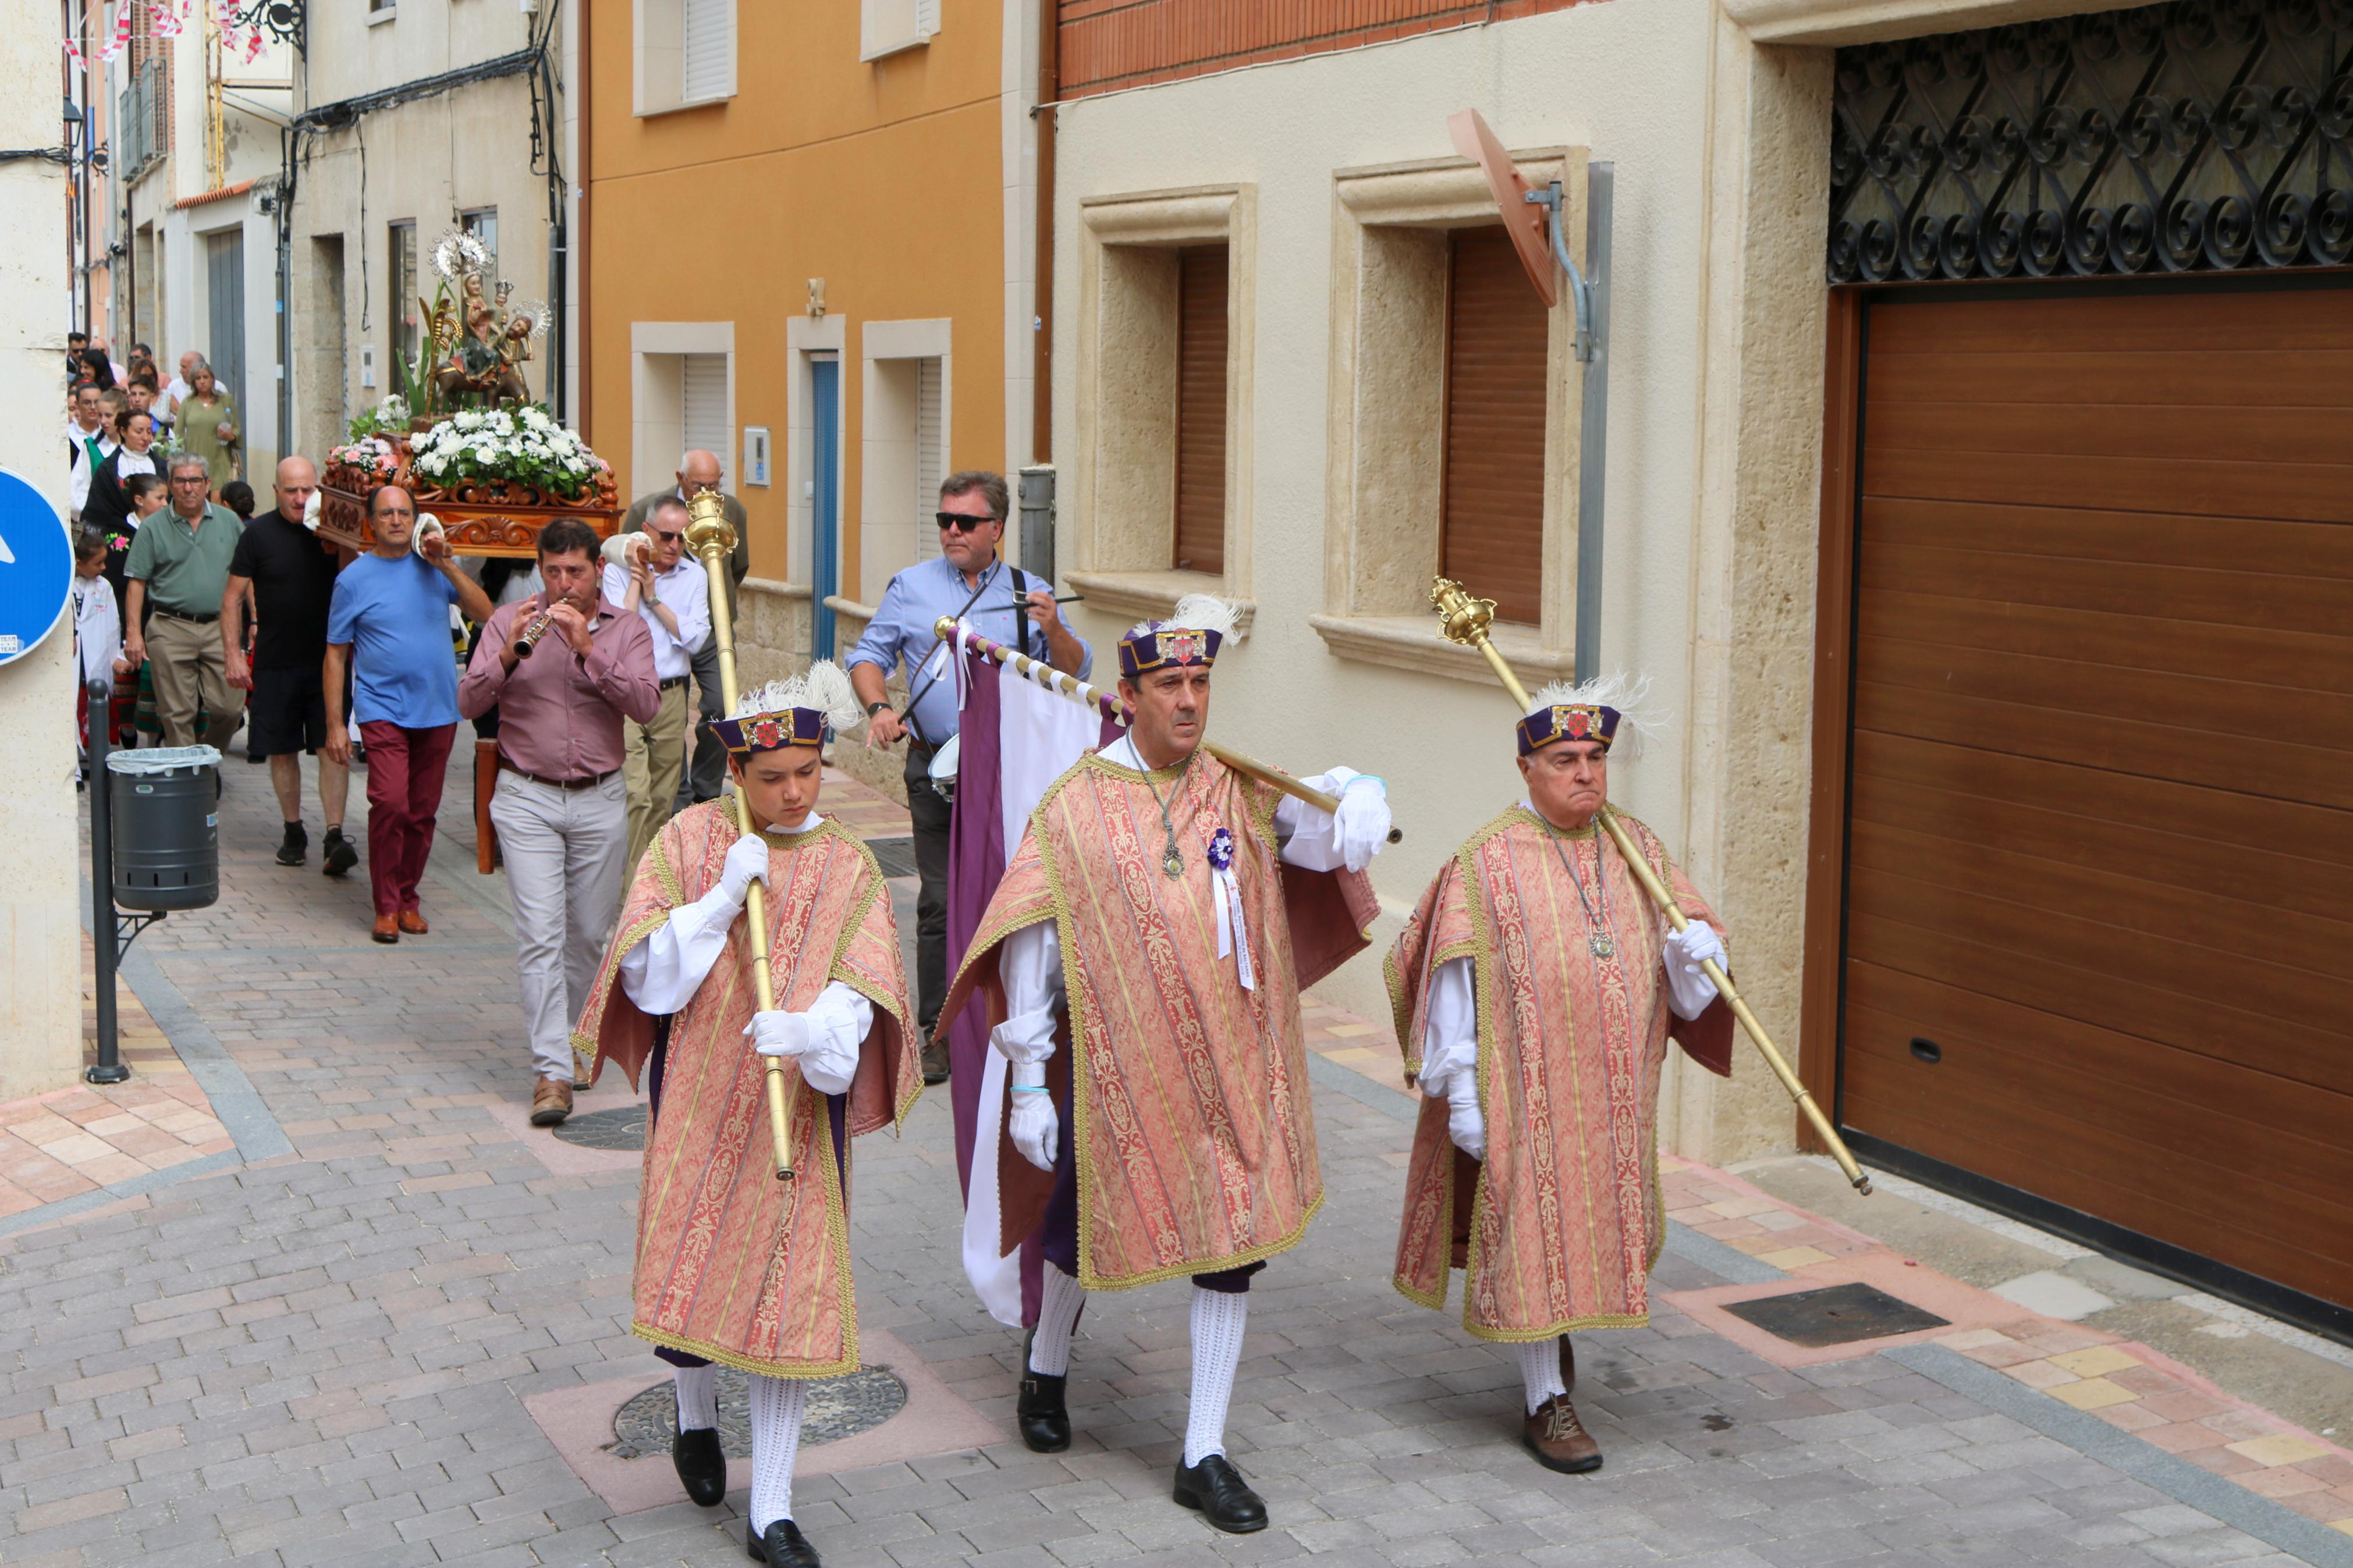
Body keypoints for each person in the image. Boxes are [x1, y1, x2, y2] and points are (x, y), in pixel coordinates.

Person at [939, 597, 1392, 1534]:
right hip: (1110, 1063)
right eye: (1168, 685)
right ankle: (1047, 1365)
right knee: (1079, 1228)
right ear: (1128, 694)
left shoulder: (1237, 784)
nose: (1188, 701)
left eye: (1199, 682)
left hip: (1230, 1064)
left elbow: (1318, 831)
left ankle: (1203, 1451)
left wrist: (1355, 791)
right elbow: (1029, 940)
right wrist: (1026, 1079)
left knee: (1232, 1245)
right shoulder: (1072, 807)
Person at [573, 667, 918, 1568]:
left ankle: (771, 1509)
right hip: (696, 1100)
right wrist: (721, 898)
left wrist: (814, 1030)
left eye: (806, 770)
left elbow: (865, 987)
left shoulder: (848, 863)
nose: (793, 790)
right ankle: (693, 1414)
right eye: (772, 778)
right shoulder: (690, 839)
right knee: (696, 1268)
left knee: (786, 1300)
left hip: (796, 1119)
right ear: (736, 773)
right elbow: (644, 978)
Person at [1386, 677, 1734, 1475]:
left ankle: (1554, 1338)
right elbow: (1447, 977)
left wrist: (1696, 964)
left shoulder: (1638, 851)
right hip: (1523, 1090)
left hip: (1611, 1095)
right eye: (1564, 758)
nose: (1585, 773)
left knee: (1584, 1227)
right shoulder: (1485, 861)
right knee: (1533, 1230)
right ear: (1525, 766)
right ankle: (1545, 1398)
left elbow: (1685, 989)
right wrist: (1464, 1091)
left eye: (1596, 757)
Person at [848, 470, 1090, 1085]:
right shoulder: (910, 587)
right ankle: (936, 1032)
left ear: (997, 529)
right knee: (938, 900)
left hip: (1009, 770)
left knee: (1016, 896)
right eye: (944, 520)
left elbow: (1072, 671)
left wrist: (1054, 627)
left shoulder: (1024, 589)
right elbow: (867, 656)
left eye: (966, 522)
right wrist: (879, 709)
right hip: (931, 762)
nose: (951, 532)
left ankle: (1020, 1021)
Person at [458, 520, 660, 1126]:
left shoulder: (627, 630)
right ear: (539, 570)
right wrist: (504, 654)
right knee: (541, 934)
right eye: (553, 572)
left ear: (598, 569)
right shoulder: (510, 619)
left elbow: (647, 705)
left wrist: (588, 652)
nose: (563, 585)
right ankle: (549, 1070)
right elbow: (468, 703)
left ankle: (574, 1037)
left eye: (575, 571)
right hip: (526, 797)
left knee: (589, 934)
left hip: (599, 797)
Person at [323, 486, 495, 944]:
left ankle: (407, 899)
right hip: (382, 709)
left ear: (416, 520)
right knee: (391, 803)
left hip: (437, 709)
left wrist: (445, 563)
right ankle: (385, 907)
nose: (396, 520)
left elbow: (486, 613)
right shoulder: (354, 579)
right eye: (386, 514)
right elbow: (336, 655)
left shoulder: (434, 568)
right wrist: (336, 724)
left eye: (404, 513)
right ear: (372, 522)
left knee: (422, 812)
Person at [225, 457, 356, 874]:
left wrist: (341, 548)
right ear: (276, 490)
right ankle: (293, 829)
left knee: (332, 748)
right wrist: (232, 653)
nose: (300, 498)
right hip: (276, 661)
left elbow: (357, 582)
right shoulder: (256, 535)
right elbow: (231, 598)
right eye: (291, 490)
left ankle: (334, 834)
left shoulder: (334, 531)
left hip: (328, 663)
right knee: (282, 750)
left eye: (307, 490)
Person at [620, 450, 746, 808]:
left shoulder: (732, 510)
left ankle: (706, 789)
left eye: (714, 485)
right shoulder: (645, 509)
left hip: (709, 627)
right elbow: (628, 562)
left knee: (723, 704)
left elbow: (738, 566)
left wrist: (708, 605)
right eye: (697, 486)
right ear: (680, 479)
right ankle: (677, 791)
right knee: (668, 704)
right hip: (658, 625)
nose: (706, 493)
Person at [602, 496, 709, 873]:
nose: (674, 546)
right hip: (628, 693)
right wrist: (636, 576)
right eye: (666, 536)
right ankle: (629, 890)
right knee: (634, 794)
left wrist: (655, 598)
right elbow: (618, 630)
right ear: (646, 532)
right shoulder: (615, 571)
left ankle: (651, 883)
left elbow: (696, 640)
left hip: (672, 695)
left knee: (663, 799)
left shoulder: (695, 575)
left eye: (682, 538)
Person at [123, 454, 246, 750]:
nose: (188, 488)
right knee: (178, 713)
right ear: (170, 485)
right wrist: (134, 633)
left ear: (207, 484)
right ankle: (190, 775)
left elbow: (246, 577)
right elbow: (136, 583)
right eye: (180, 480)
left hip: (221, 627)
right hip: (170, 626)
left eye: (194, 480)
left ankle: (209, 758)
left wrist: (255, 621)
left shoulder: (229, 522)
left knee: (229, 709)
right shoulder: (152, 528)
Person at [72, 529, 128, 763]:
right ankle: (75, 753)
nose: (104, 567)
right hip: (75, 653)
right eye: (98, 563)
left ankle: (94, 752)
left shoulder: (103, 586)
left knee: (94, 697)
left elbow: (113, 623)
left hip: (96, 652)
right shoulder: (66, 583)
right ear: (79, 563)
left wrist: (117, 654)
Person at [176, 359, 240, 487]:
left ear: (212, 379)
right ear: (193, 382)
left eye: (206, 377)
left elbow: (237, 428)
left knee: (218, 499)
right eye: (198, 378)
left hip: (219, 458)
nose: (202, 381)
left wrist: (231, 436)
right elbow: (178, 433)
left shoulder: (225, 400)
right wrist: (181, 458)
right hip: (195, 459)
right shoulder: (187, 403)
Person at [66, 382, 115, 517]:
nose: (93, 408)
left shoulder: (110, 437)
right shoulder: (66, 436)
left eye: (97, 402)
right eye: (87, 403)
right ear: (77, 404)